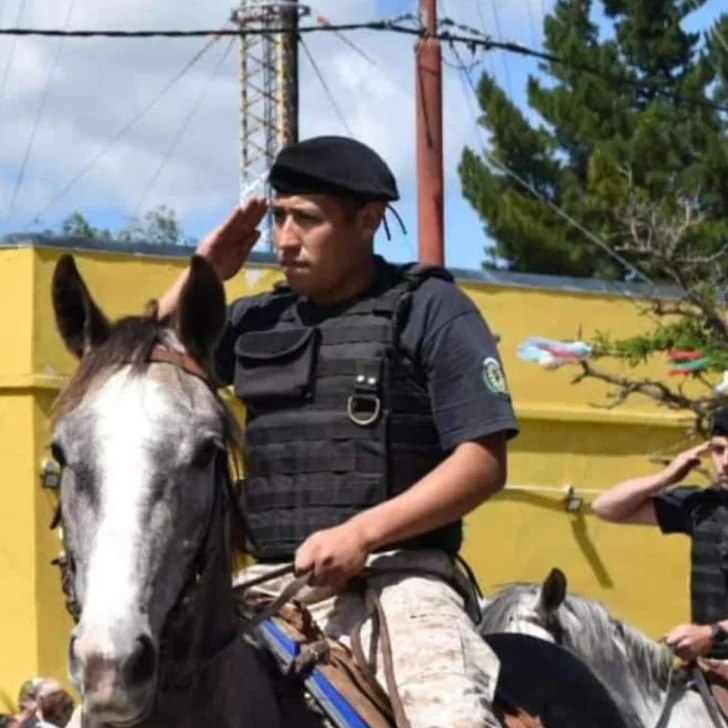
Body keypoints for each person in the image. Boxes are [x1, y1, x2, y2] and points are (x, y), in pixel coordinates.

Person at [158, 135, 519, 727]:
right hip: (262, 586)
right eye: (277, 218)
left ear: (368, 220)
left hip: (398, 583)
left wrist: (363, 533)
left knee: (448, 717)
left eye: (306, 219)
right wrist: (203, 272)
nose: (284, 238)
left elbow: (483, 460)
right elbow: (136, 369)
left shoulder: (430, 309)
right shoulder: (251, 320)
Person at [592, 408, 728, 662]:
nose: (725, 461)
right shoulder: (702, 505)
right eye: (719, 450)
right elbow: (605, 507)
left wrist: (714, 633)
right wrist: (666, 476)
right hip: (709, 670)